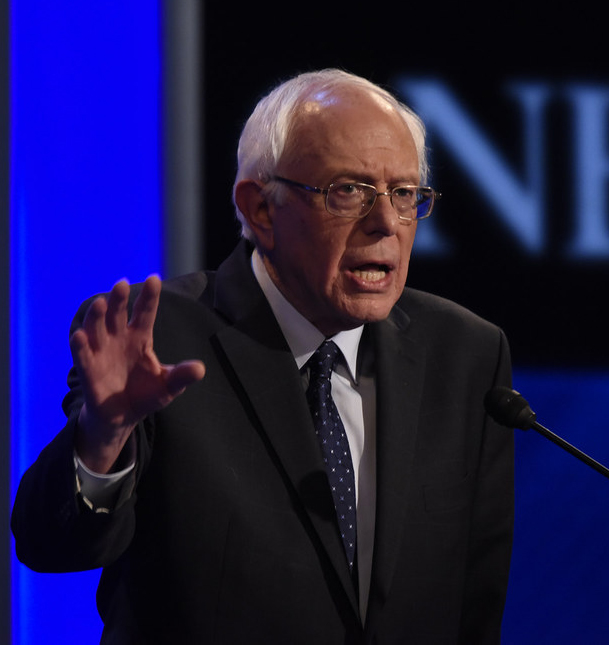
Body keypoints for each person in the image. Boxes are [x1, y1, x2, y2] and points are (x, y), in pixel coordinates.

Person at [12, 69, 514, 644]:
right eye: (348, 190)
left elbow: (475, 607)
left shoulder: (466, 356)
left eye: (404, 195)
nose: (385, 225)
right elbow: (51, 545)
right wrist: (104, 435)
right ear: (261, 209)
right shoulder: (156, 343)